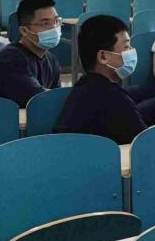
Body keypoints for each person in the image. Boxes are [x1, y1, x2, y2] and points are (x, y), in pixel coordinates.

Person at [54, 14, 146, 145]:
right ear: (103, 56)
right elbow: (142, 145)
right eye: (126, 47)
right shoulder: (114, 98)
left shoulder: (84, 86)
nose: (131, 51)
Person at [0, 0, 62, 108]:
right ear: (24, 30)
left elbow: (57, 99)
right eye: (45, 23)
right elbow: (38, 98)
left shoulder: (51, 59)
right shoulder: (10, 59)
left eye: (56, 21)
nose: (54, 28)